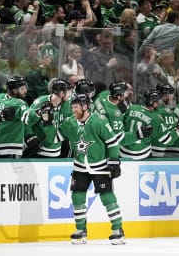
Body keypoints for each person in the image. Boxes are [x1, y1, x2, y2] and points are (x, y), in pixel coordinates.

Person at [55, 93, 125, 245]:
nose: (73, 109)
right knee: (77, 196)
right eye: (72, 106)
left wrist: (114, 161)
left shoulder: (99, 121)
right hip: (80, 166)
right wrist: (47, 123)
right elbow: (54, 138)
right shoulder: (70, 122)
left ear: (85, 106)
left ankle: (117, 230)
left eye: (76, 107)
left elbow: (112, 142)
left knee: (107, 196)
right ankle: (81, 230)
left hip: (100, 165)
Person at [0, 76, 49, 158]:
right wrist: (40, 111)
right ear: (14, 90)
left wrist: (29, 135)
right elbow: (29, 118)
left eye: (25, 88)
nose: (25, 91)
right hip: (8, 147)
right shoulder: (19, 103)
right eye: (22, 89)